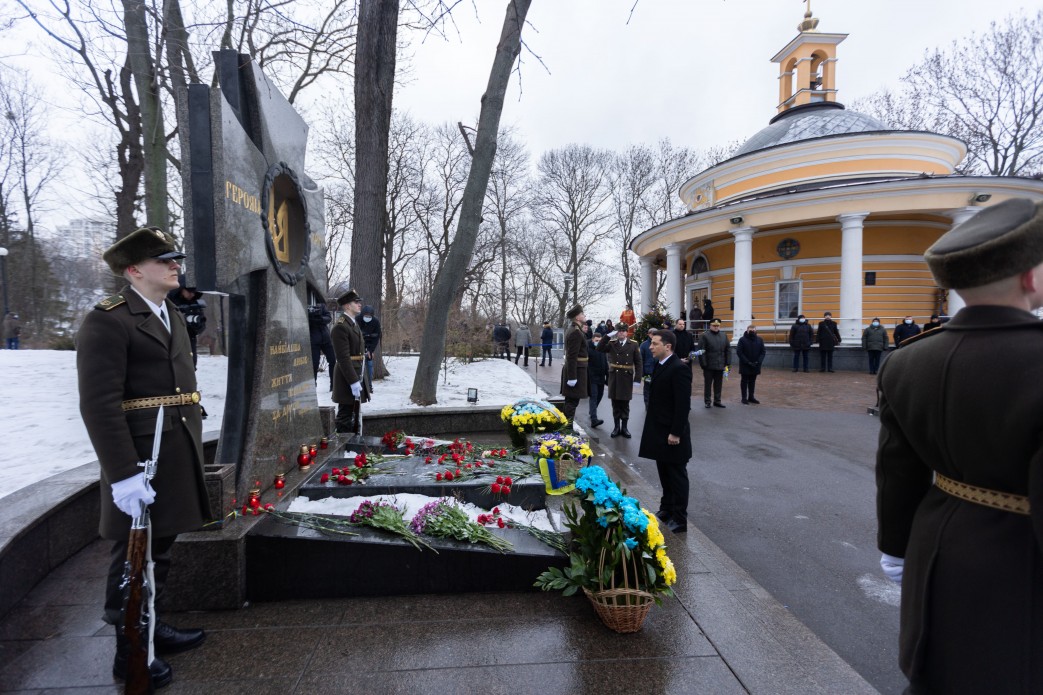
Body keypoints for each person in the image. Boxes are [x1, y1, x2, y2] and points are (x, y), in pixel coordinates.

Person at [875, 197, 1043, 694]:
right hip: (1019, 571)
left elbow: (896, 472)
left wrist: (895, 549)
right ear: (1030, 277)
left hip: (935, 553)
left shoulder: (906, 363)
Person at [76, 227, 211, 689]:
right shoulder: (108, 320)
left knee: (162, 545)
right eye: (164, 260)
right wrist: (123, 475)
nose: (176, 266)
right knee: (130, 555)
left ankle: (154, 626)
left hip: (174, 447)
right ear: (134, 270)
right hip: (140, 456)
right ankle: (127, 647)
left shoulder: (168, 311)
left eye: (175, 259)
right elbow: (98, 405)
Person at [639, 329, 693, 534]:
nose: (650, 347)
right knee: (665, 474)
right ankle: (667, 508)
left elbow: (682, 405)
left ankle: (680, 518)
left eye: (654, 343)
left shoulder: (679, 368)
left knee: (677, 476)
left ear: (667, 346)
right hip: (660, 432)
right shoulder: (661, 365)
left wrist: (676, 433)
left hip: (673, 434)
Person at [331, 289, 371, 434]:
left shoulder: (352, 323)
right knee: (345, 413)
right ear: (347, 306)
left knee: (354, 411)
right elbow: (343, 358)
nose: (359, 305)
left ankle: (352, 442)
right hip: (346, 375)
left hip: (356, 371)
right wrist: (353, 381)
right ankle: (342, 446)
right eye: (356, 302)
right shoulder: (341, 326)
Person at [596, 321, 643, 438]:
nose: (621, 333)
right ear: (616, 332)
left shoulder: (633, 344)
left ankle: (625, 427)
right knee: (615, 403)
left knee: (625, 403)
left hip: (626, 377)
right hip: (614, 377)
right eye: (619, 331)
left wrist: (637, 378)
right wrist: (607, 336)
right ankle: (616, 427)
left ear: (627, 332)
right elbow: (599, 348)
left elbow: (638, 362)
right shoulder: (611, 343)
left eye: (623, 331)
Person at [167, 277, 207, 367]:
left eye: (194, 292)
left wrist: (196, 325)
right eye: (189, 291)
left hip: (189, 343)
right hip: (172, 343)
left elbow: (201, 325)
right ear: (181, 289)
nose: (192, 295)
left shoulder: (195, 304)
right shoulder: (168, 301)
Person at [559, 305, 589, 424]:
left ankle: (567, 426)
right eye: (582, 314)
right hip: (576, 370)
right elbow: (572, 356)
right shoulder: (576, 332)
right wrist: (572, 377)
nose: (584, 316)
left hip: (577, 369)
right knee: (572, 401)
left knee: (571, 401)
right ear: (577, 317)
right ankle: (567, 428)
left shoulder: (574, 329)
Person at [697, 318, 730, 408]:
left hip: (720, 364)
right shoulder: (705, 336)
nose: (716, 327)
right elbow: (701, 351)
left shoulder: (724, 335)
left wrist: (728, 363)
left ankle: (717, 401)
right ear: (710, 326)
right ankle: (707, 401)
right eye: (714, 326)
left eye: (717, 326)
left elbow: (728, 350)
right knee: (708, 384)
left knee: (718, 384)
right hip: (709, 365)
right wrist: (703, 364)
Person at [307, 298, 336, 390]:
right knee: (314, 363)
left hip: (326, 338)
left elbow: (328, 317)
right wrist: (311, 318)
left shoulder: (320, 304)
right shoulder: (305, 303)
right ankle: (313, 383)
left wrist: (320, 319)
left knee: (332, 360)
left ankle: (333, 384)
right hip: (313, 339)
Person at [736, 325, 766, 404]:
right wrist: (747, 362)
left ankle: (751, 397)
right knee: (744, 381)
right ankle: (744, 398)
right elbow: (739, 352)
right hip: (745, 364)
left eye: (753, 330)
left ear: (756, 331)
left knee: (752, 381)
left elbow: (763, 352)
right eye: (750, 330)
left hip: (756, 365)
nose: (752, 331)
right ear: (747, 330)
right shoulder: (742, 340)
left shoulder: (759, 339)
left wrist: (758, 361)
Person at [586, 331, 608, 427]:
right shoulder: (588, 348)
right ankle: (594, 419)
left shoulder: (602, 349)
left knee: (600, 395)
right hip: (592, 377)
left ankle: (592, 411)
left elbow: (605, 362)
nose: (598, 342)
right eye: (596, 340)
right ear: (593, 339)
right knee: (594, 396)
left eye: (600, 341)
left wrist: (608, 376)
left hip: (601, 376)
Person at [359, 304, 382, 388]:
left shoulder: (375, 322)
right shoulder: (358, 319)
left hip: (370, 343)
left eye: (369, 316)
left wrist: (370, 350)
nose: (367, 317)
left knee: (369, 362)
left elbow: (377, 337)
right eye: (365, 315)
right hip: (358, 343)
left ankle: (369, 384)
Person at [639, 330, 655, 406]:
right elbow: (640, 359)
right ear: (648, 334)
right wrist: (642, 373)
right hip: (647, 371)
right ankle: (647, 403)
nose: (654, 335)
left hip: (657, 370)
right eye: (652, 334)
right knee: (647, 388)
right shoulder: (644, 345)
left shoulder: (660, 343)